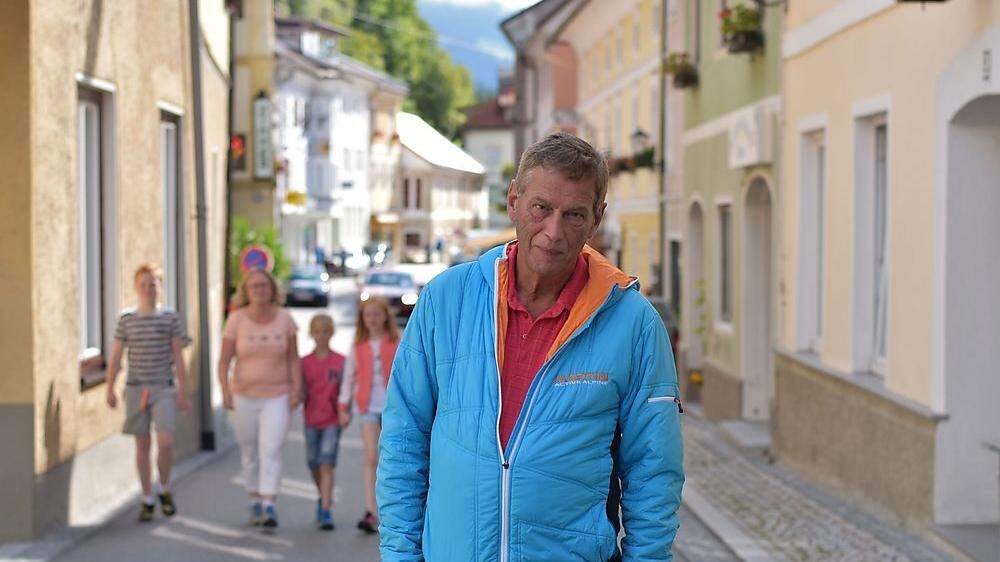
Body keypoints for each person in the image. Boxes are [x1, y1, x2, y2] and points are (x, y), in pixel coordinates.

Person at [377, 132, 684, 560]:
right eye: (541, 208)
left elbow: (654, 472)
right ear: (514, 201)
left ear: (597, 219)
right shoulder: (446, 300)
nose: (553, 232)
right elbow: (403, 442)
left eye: (574, 215)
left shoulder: (633, 324)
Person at [105, 264, 190, 522]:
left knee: (165, 442)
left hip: (163, 386)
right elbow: (117, 356)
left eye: (153, 284)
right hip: (136, 389)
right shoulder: (126, 320)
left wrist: (182, 391)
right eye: (143, 284)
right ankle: (146, 497)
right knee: (142, 445)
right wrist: (109, 387)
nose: (148, 289)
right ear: (136, 287)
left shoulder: (169, 318)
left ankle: (163, 487)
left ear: (160, 288)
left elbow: (178, 355)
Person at [218, 269, 301, 529]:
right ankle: (254, 496)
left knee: (271, 448)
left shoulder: (285, 319)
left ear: (272, 289)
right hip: (244, 395)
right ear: (246, 291)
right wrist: (225, 391)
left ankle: (268, 504)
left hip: (277, 394)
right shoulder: (236, 320)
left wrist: (296, 389)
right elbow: (224, 361)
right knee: (249, 449)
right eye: (254, 287)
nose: (259, 291)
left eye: (264, 286)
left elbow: (293, 359)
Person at [338, 296, 400, 534]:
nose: (372, 319)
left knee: (392, 459)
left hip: (393, 409)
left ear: (385, 316)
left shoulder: (396, 342)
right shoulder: (358, 347)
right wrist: (343, 406)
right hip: (367, 408)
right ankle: (370, 510)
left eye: (377, 314)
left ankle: (392, 512)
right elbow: (349, 377)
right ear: (363, 319)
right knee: (371, 457)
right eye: (368, 315)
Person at [301, 313, 346, 531]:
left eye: (325, 331)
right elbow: (299, 392)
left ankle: (326, 509)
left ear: (331, 333)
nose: (321, 335)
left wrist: (345, 412)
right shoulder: (304, 363)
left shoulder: (340, 361)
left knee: (326, 462)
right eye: (317, 331)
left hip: (332, 420)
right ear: (311, 333)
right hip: (310, 419)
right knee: (313, 462)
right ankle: (322, 496)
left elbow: (346, 392)